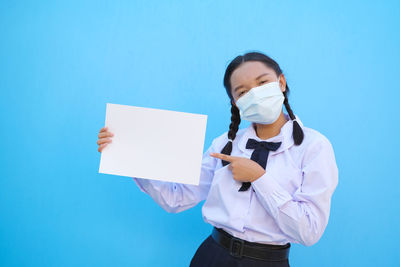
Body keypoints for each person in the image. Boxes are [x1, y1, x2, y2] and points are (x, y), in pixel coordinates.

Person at [97, 51, 339, 267]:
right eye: (243, 92)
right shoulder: (224, 144)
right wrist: (128, 154)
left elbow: (309, 231)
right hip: (212, 256)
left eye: (262, 82)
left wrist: (259, 177)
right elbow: (176, 198)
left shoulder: (314, 147)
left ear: (281, 82)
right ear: (235, 103)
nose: (254, 94)